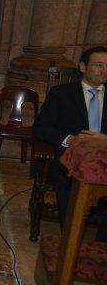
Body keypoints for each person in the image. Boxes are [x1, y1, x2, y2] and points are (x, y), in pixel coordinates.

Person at [33, 46, 107, 241]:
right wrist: (71, 140)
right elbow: (41, 128)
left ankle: (100, 249)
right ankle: (71, 244)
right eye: (99, 65)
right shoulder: (61, 94)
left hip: (104, 161)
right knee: (70, 187)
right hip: (70, 162)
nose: (104, 70)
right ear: (83, 66)